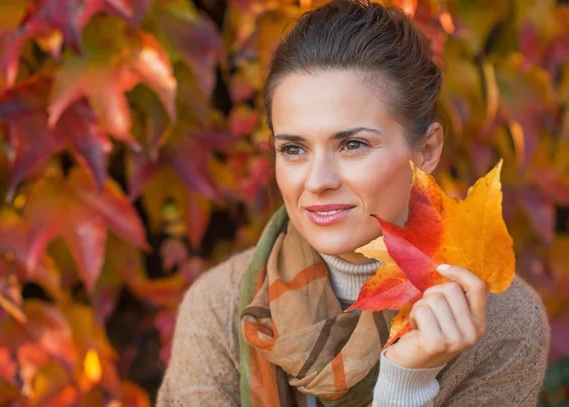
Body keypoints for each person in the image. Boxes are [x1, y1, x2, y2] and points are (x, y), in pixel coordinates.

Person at [156, 0, 550, 405]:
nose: (318, 181)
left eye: (353, 144)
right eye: (293, 149)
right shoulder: (219, 308)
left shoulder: (502, 323)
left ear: (427, 150)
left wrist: (407, 382)